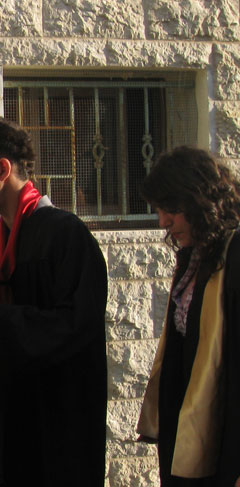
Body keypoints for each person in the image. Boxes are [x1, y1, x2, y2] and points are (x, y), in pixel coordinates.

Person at [0, 116, 108, 487]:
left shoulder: (66, 236)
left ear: (2, 169)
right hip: (9, 427)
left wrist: (2, 318)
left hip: (57, 428)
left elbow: (76, 324)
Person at [136, 146, 240, 487]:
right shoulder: (194, 256)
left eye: (171, 210)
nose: (164, 222)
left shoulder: (235, 255)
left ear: (200, 201)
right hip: (188, 426)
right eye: (160, 211)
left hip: (226, 435)